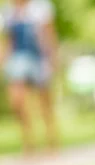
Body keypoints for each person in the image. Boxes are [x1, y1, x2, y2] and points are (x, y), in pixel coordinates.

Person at [0, 0, 59, 155]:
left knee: (44, 101)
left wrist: (52, 58)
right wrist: (3, 59)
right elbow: (8, 39)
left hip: (39, 57)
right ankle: (28, 142)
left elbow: (49, 34)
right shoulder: (8, 11)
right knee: (17, 100)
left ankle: (51, 139)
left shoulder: (40, 7)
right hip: (18, 58)